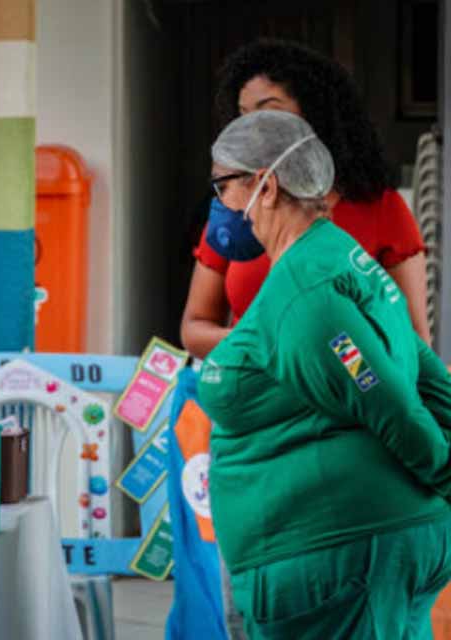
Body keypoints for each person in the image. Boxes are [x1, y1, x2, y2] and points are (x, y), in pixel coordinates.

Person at [198, 109, 451, 639]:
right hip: (368, 547)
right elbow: (427, 376)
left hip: (338, 559)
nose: (218, 206)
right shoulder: (342, 258)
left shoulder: (305, 294)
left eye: (224, 186)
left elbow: (387, 401)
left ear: (266, 187)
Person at [181, 39, 430, 360]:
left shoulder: (382, 208)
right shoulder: (234, 204)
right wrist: (264, 343)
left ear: (316, 115)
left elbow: (414, 343)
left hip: (346, 403)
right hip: (251, 398)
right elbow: (196, 326)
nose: (253, 128)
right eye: (243, 116)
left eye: (269, 111)